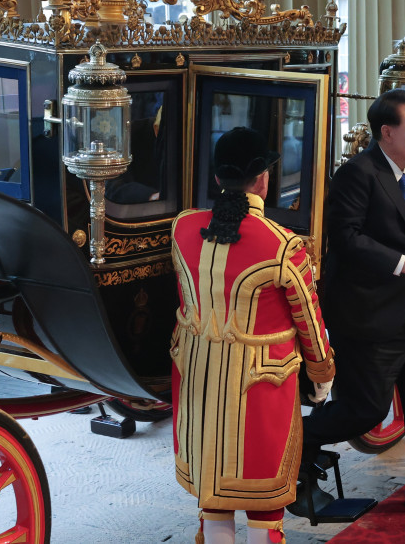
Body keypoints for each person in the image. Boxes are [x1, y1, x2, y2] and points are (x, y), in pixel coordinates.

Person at [301, 89, 405, 519]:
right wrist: (403, 264)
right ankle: (296, 440)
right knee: (366, 410)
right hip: (368, 317)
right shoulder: (357, 174)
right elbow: (345, 238)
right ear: (386, 132)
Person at [170, 127, 336, 544]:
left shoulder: (183, 228)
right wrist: (321, 373)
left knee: (215, 492)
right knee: (263, 504)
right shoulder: (283, 244)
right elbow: (309, 321)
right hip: (260, 384)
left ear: (216, 179)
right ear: (263, 179)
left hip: (197, 381)